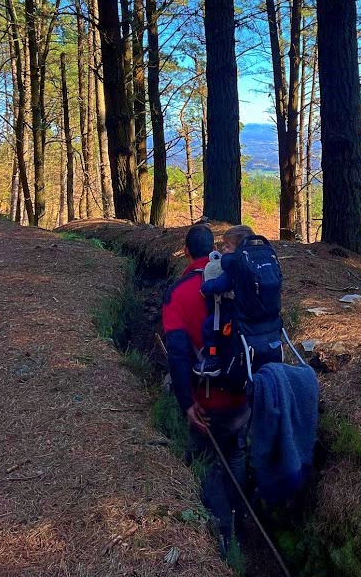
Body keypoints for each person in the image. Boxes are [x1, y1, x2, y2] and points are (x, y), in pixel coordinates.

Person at [162, 223, 250, 554]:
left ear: (186, 252)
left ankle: (222, 536)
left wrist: (187, 403)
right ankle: (241, 520)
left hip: (206, 400)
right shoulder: (241, 282)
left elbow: (178, 354)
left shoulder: (179, 293)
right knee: (236, 452)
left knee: (208, 459)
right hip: (241, 394)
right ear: (212, 248)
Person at [193, 224, 255, 378]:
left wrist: (206, 287)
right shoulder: (254, 264)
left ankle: (213, 358)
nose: (224, 250)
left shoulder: (234, 267)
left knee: (209, 326)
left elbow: (221, 284)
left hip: (233, 313)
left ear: (239, 248)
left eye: (227, 246)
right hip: (251, 313)